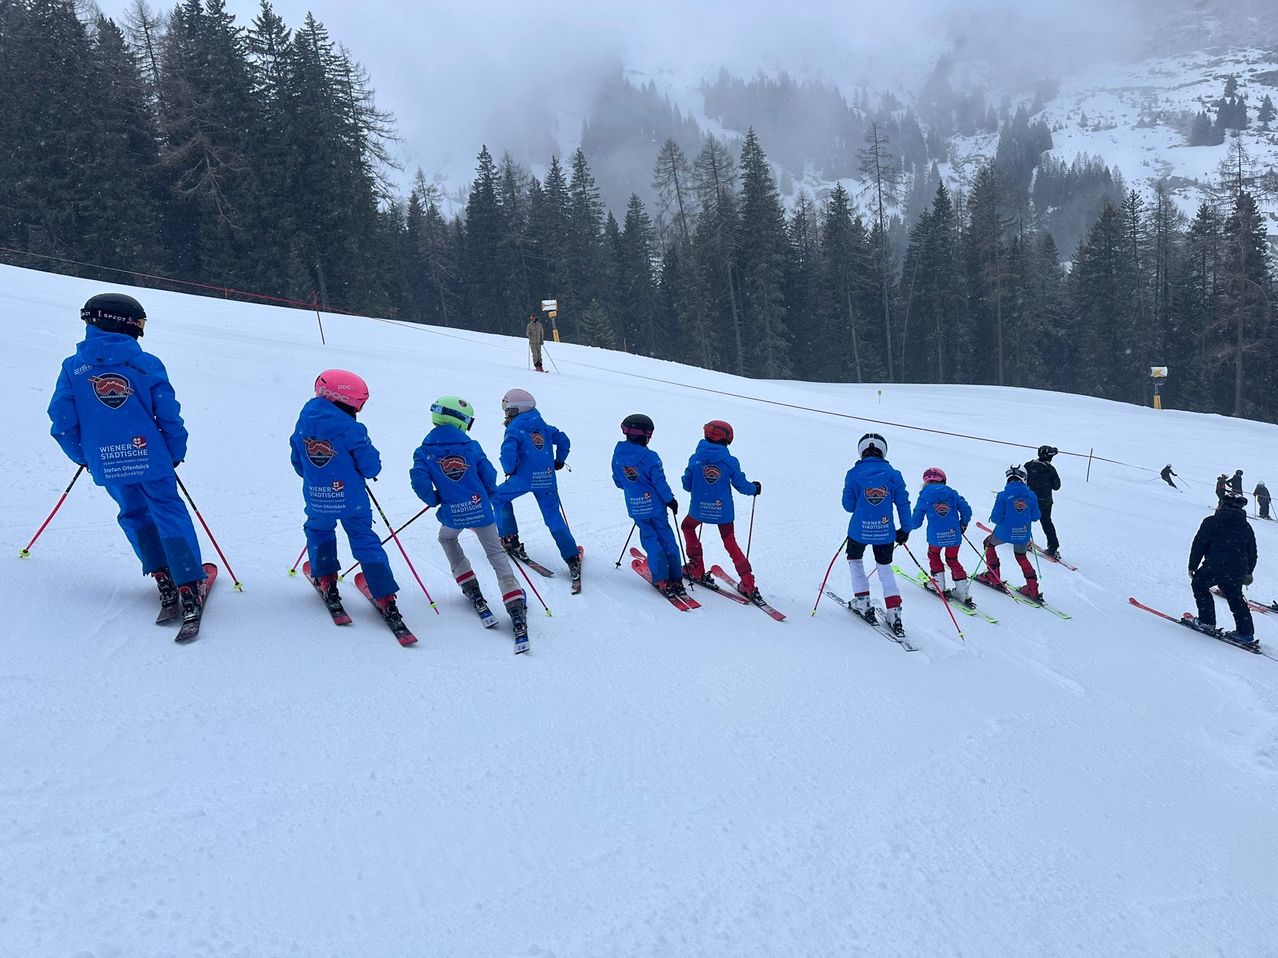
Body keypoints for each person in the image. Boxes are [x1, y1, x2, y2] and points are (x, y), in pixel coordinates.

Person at [48, 292, 207, 625]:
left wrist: (86, 456)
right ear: (129, 325)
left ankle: (162, 575)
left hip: (108, 461)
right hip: (151, 458)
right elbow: (168, 415)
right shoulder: (145, 364)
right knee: (168, 512)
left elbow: (62, 421)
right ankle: (188, 584)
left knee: (134, 513)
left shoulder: (74, 367)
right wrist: (175, 451)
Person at [409, 396, 528, 642]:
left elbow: (419, 481)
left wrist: (433, 499)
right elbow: (488, 473)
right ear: (460, 421)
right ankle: (514, 599)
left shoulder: (423, 452)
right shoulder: (471, 446)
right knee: (495, 553)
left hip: (453, 514)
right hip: (480, 511)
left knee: (447, 539)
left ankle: (470, 586)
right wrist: (490, 492)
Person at [290, 369, 402, 623]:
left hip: (318, 498)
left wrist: (318, 477)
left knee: (319, 531)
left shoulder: (304, 423)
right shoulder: (351, 429)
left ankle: (326, 578)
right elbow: (371, 466)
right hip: (352, 500)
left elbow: (298, 461)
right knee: (364, 539)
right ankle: (384, 594)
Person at [492, 388, 581, 584]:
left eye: (507, 408)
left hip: (522, 479)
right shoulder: (543, 426)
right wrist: (559, 460)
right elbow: (564, 440)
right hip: (546, 479)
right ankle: (572, 557)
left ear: (516, 409)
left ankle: (509, 538)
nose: (505, 412)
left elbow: (507, 454)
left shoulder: (515, 428)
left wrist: (510, 469)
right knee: (553, 517)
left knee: (499, 498)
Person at [680, 419, 762, 599]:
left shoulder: (696, 459)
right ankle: (748, 584)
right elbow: (741, 485)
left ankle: (696, 568)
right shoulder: (729, 461)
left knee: (687, 527)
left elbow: (687, 485)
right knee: (730, 543)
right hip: (722, 511)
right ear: (728, 439)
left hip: (699, 509)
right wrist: (754, 489)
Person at [841, 432, 912, 634]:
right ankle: (894, 612)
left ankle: (862, 601)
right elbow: (903, 504)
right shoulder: (893, 474)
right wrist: (905, 530)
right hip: (885, 531)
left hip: (858, 531)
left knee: (855, 561)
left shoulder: (853, 474)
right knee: (884, 568)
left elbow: (848, 506)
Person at [612, 413, 686, 601]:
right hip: (656, 507)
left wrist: (633, 487)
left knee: (650, 538)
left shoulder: (618, 453)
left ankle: (661, 577)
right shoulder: (650, 457)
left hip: (636, 506)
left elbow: (618, 480)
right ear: (644, 436)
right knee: (666, 537)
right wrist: (670, 500)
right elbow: (660, 483)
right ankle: (675, 577)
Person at [1188, 490, 1257, 645]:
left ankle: (1206, 622)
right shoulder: (1246, 527)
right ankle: (1245, 633)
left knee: (1199, 585)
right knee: (1235, 596)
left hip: (1216, 566)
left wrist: (1192, 565)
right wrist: (1248, 572)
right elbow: (1252, 552)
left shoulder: (1211, 521)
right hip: (1237, 569)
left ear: (1222, 505)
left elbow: (1199, 545)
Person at [977, 466, 1043, 601]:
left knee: (988, 544)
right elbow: (1036, 516)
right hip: (1023, 534)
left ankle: (993, 577)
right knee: (1021, 557)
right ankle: (1032, 589)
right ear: (1024, 478)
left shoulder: (1003, 495)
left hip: (1004, 533)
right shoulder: (1031, 495)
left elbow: (995, 517)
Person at [909, 466, 974, 604]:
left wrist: (908, 526)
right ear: (943, 480)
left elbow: (915, 521)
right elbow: (966, 510)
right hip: (954, 534)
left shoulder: (924, 495)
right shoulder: (951, 493)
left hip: (935, 536)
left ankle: (938, 584)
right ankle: (962, 591)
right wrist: (963, 523)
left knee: (934, 555)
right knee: (952, 558)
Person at [1023, 444, 1061, 558]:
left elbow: (1022, 479)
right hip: (1045, 501)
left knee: (1025, 519)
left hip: (1029, 499)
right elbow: (1057, 486)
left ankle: (1024, 541)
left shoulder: (1028, 465)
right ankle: (1053, 548)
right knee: (1046, 522)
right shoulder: (1050, 469)